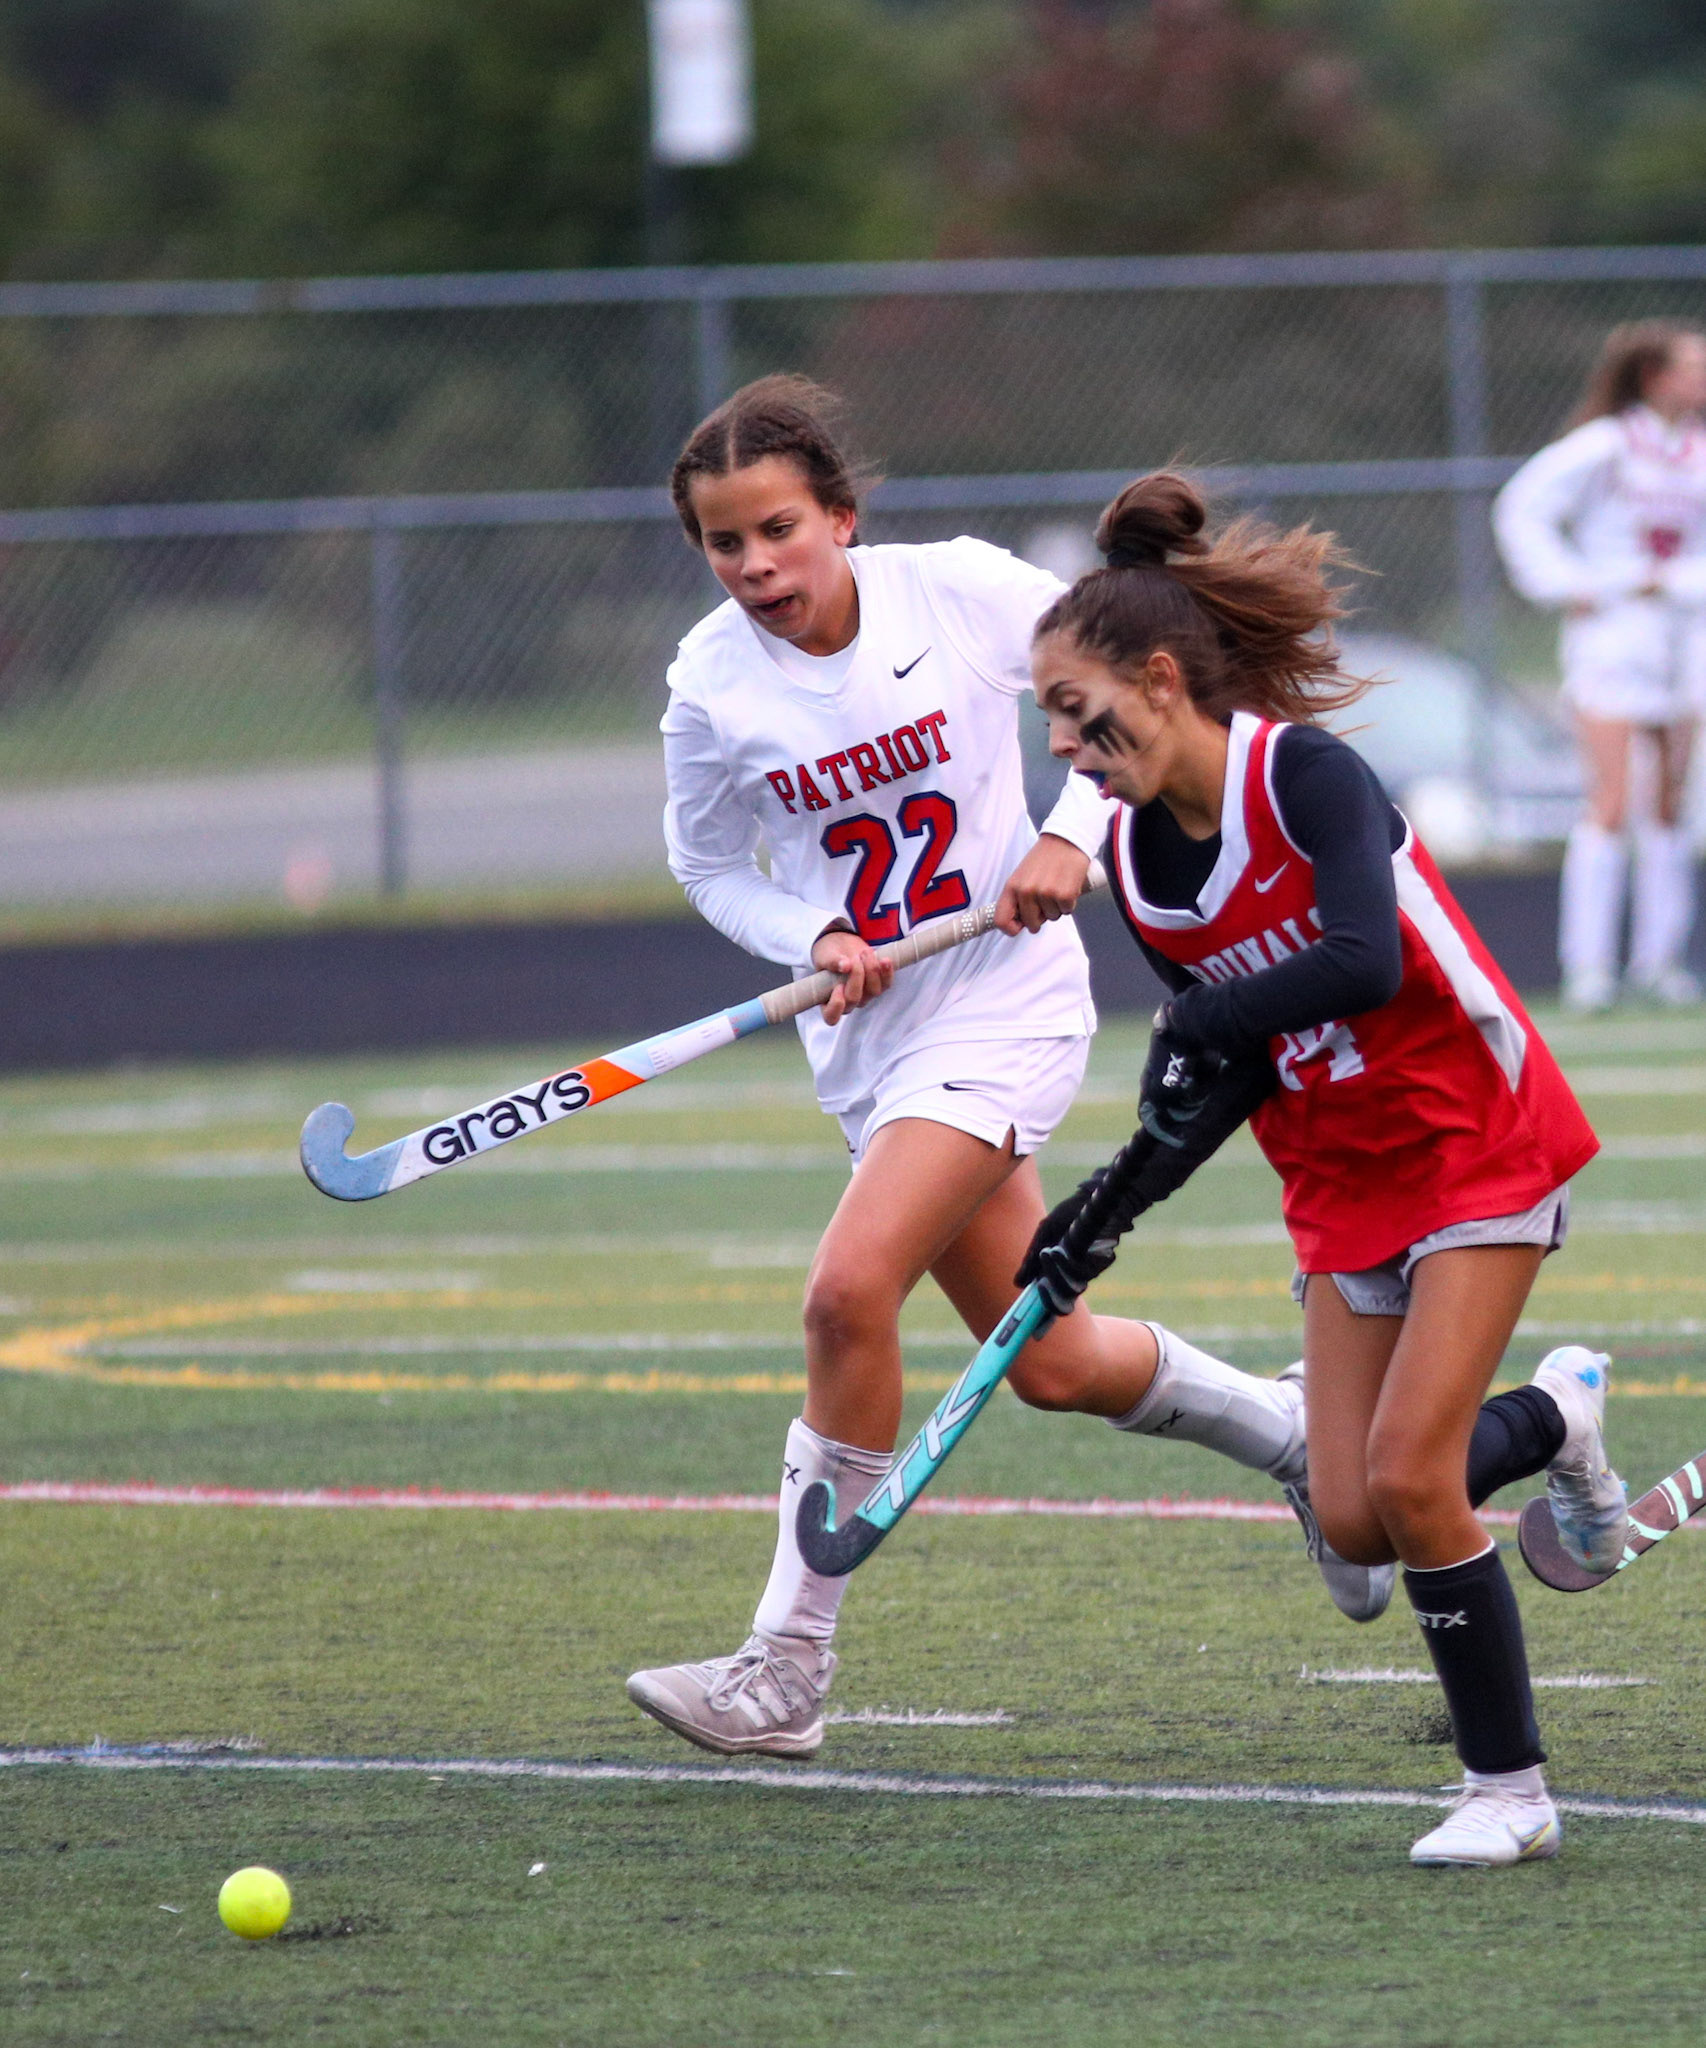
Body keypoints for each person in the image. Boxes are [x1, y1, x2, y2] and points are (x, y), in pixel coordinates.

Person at [625, 378, 1391, 1761]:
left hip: (1003, 1009)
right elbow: (704, 863)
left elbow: (1120, 689)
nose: (755, 565)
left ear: (838, 518)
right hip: (869, 1044)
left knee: (845, 1292)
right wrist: (812, 935)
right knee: (1050, 1360)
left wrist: (1067, 831)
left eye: (778, 530)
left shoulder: (960, 592)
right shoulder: (708, 684)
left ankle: (786, 1664)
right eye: (724, 543)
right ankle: (1292, 1433)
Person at [1021, 469, 1626, 1869]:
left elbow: (1356, 961)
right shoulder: (1138, 862)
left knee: (1410, 1481)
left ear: (1159, 680)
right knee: (1354, 1516)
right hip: (1339, 1174)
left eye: (1073, 708)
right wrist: (1099, 1213)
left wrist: (1198, 1020)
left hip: (1469, 1133)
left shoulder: (1299, 774)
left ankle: (1509, 1793)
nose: (1059, 744)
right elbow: (1228, 1065)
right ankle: (1557, 1417)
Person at [1494, 319, 1706, 1012]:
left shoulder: (1697, 451)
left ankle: (1660, 961)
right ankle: (1589, 967)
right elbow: (1522, 508)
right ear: (1654, 376)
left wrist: (1683, 585)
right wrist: (1570, 584)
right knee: (1610, 800)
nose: (1701, 379)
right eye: (1691, 367)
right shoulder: (1606, 446)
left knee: (1670, 804)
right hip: (1615, 636)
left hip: (1684, 636)